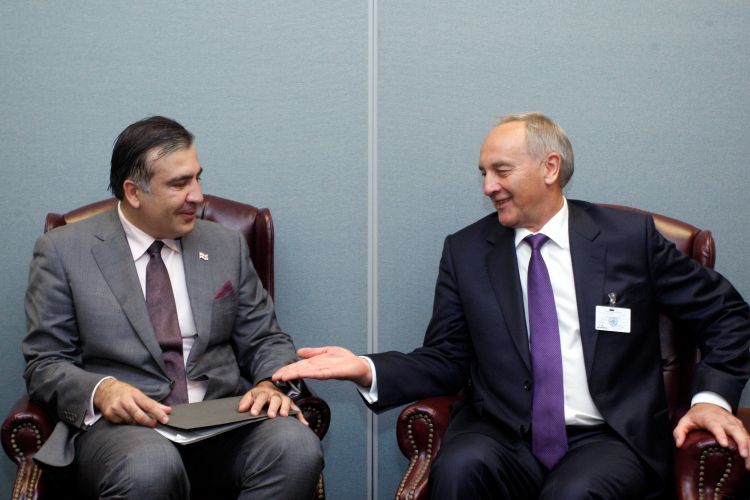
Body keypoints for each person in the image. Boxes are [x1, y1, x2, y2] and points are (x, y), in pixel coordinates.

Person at [273, 112, 750, 498]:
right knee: (458, 469)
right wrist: (365, 368)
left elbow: (727, 314)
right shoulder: (466, 252)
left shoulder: (628, 240)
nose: (487, 186)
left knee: (575, 492)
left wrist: (711, 401)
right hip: (501, 433)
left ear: (550, 168)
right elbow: (446, 358)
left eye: (501, 171)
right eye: (483, 173)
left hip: (607, 436)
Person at [22, 116, 323, 499]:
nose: (197, 196)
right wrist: (102, 390)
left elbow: (265, 338)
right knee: (151, 466)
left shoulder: (225, 245)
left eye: (197, 178)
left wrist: (270, 383)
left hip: (222, 422)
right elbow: (45, 363)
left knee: (296, 447)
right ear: (134, 192)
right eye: (179, 184)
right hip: (126, 432)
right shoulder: (64, 251)